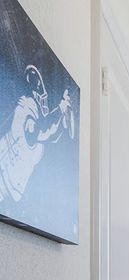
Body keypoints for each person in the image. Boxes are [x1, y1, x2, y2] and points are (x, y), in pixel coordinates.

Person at [0, 64, 74, 203]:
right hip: (7, 179)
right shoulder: (24, 110)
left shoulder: (36, 146)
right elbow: (44, 131)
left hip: (11, 187)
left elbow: (49, 134)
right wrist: (62, 108)